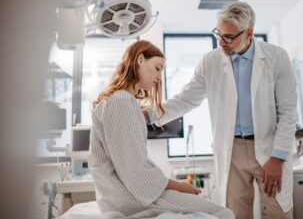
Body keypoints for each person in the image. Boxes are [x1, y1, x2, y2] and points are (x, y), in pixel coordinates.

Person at [146, 2, 297, 219]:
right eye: (219, 33)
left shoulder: (276, 57)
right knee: (236, 215)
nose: (221, 42)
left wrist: (278, 157)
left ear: (249, 33)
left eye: (229, 37)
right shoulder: (211, 61)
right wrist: (151, 114)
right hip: (232, 149)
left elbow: (288, 111)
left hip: (269, 148)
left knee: (279, 212)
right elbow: (186, 99)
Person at [89, 40, 234, 219]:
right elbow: (135, 171)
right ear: (140, 59)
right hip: (130, 200)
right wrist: (179, 186)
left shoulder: (120, 101)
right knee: (222, 213)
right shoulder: (122, 101)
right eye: (157, 68)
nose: (158, 77)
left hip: (119, 197)